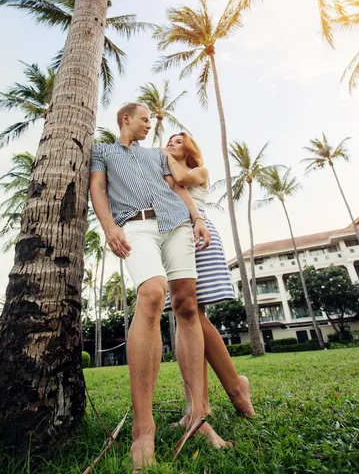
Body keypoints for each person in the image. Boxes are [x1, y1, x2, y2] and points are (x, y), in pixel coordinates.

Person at [89, 103, 225, 472]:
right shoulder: (102, 152)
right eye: (146, 119)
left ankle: (197, 417)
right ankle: (142, 429)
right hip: (134, 225)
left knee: (186, 305)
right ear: (126, 119)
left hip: (177, 224)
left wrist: (197, 218)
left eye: (152, 120)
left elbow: (177, 188)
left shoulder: (157, 156)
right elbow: (97, 189)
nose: (151, 125)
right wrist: (109, 226)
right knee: (152, 293)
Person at [162, 133, 255, 425]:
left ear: (189, 151)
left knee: (191, 315)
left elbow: (179, 179)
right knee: (187, 316)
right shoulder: (164, 170)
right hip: (173, 234)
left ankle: (234, 389)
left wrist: (164, 159)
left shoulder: (197, 171)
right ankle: (199, 406)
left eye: (177, 141)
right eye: (169, 141)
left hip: (198, 233)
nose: (170, 143)